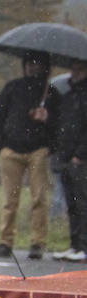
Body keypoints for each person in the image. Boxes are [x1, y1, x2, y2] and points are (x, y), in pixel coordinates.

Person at [0, 52, 59, 259]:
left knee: (39, 198)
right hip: (11, 150)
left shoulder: (51, 93)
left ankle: (38, 242)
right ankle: (5, 241)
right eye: (29, 63)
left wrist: (47, 120)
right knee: (9, 200)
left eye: (37, 63)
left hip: (38, 150)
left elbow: (59, 124)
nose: (32, 67)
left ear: (45, 67)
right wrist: (0, 145)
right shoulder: (12, 88)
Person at [51, 58, 87, 262]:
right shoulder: (68, 95)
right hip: (66, 157)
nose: (75, 73)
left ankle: (83, 245)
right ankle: (75, 245)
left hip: (80, 159)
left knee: (82, 203)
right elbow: (61, 124)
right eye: (73, 69)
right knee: (72, 204)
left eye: (80, 69)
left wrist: (80, 154)